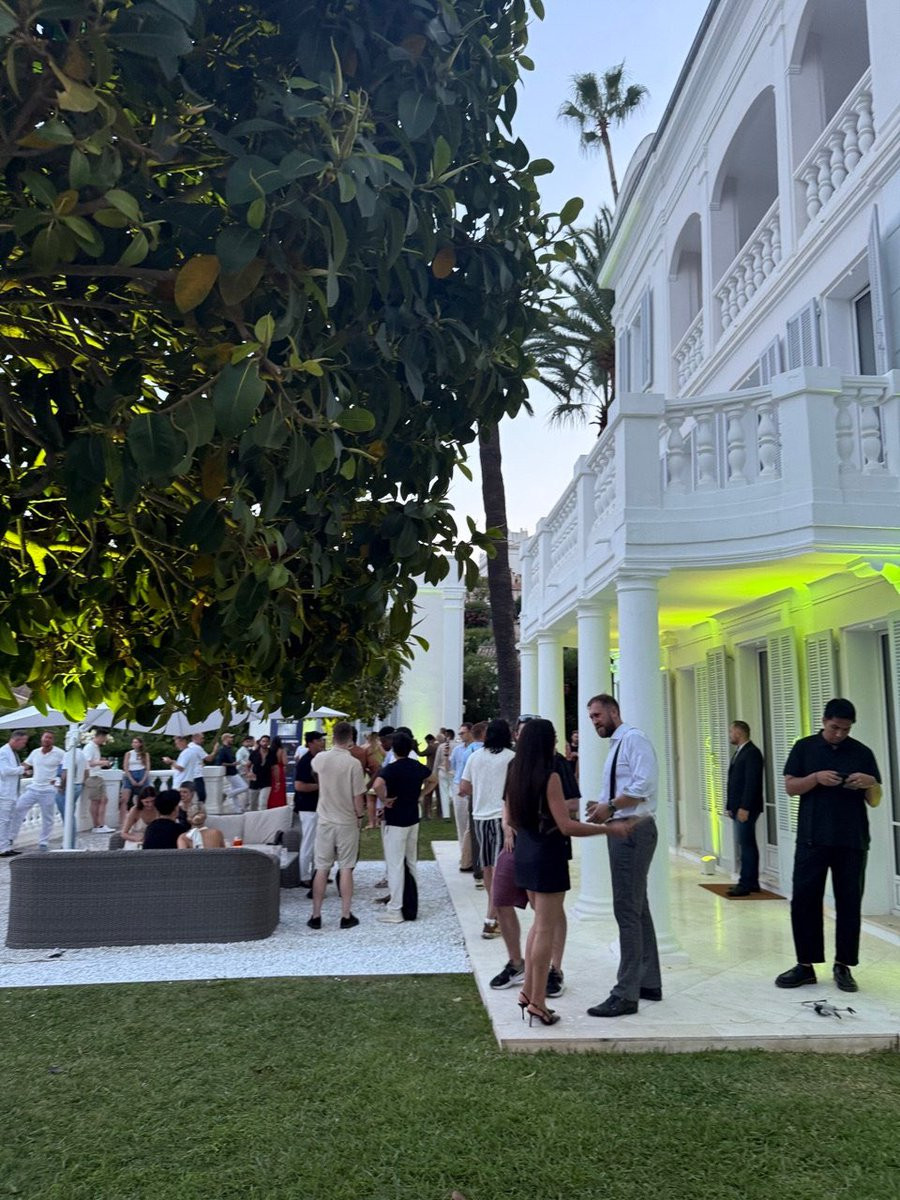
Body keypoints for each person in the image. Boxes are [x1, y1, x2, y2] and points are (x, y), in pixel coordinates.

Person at [505, 718, 624, 1027]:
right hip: (548, 855)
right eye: (554, 738)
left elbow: (512, 818)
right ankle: (538, 1002)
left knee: (538, 926)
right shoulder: (551, 776)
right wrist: (608, 830)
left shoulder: (514, 772)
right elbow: (567, 825)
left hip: (526, 852)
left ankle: (528, 992)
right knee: (546, 928)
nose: (558, 743)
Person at [775, 698, 882, 994]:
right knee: (804, 900)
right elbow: (790, 787)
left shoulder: (862, 752)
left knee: (849, 903)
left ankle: (843, 965)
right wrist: (815, 778)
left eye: (845, 730)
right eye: (835, 728)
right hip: (812, 837)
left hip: (852, 840)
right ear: (824, 721)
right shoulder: (805, 748)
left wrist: (870, 783)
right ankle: (805, 965)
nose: (839, 734)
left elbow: (875, 800)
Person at [585, 693, 662, 1018]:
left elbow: (644, 786)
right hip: (623, 828)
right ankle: (648, 981)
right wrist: (602, 806)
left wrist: (611, 807)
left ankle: (625, 994)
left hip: (633, 831)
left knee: (627, 910)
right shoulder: (618, 743)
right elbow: (626, 787)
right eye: (591, 717)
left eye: (598, 715)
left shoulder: (634, 739)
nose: (594, 722)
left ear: (614, 711)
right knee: (637, 907)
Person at [459, 718, 515, 939]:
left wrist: (482, 789)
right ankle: (492, 917)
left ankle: (493, 912)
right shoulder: (511, 757)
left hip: (480, 816)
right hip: (503, 817)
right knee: (501, 866)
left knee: (488, 867)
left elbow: (464, 787)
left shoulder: (475, 757)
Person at [308, 722, 366, 930]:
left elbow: (314, 770)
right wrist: (360, 815)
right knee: (346, 867)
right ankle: (345, 914)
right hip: (347, 820)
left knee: (321, 867)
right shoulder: (353, 764)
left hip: (325, 819)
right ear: (350, 738)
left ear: (333, 736)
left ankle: (316, 915)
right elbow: (358, 796)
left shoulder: (320, 759)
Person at [372, 731, 435, 924]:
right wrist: (421, 794)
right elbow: (433, 779)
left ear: (394, 749)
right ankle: (411, 903)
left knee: (395, 864)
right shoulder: (416, 766)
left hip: (395, 819)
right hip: (412, 817)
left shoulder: (391, 769)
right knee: (411, 861)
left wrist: (384, 799)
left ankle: (395, 909)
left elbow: (377, 784)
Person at [725, 720, 765, 896]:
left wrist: (744, 807)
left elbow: (751, 782)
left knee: (746, 844)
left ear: (739, 733)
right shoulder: (740, 752)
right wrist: (730, 806)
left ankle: (746, 883)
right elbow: (733, 782)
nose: (730, 735)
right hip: (737, 806)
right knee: (745, 843)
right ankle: (751, 881)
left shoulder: (752, 753)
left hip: (746, 807)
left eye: (731, 732)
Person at [9, 731, 66, 850]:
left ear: (53, 740)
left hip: (48, 790)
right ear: (41, 738)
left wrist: (59, 780)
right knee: (18, 809)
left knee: (47, 818)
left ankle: (43, 842)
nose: (47, 739)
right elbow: (25, 764)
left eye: (50, 738)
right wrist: (13, 770)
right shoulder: (35, 752)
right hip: (33, 788)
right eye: (45, 737)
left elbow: (66, 769)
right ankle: (11, 837)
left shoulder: (60, 753)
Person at [293, 730, 325, 886]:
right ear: (311, 743)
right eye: (319, 740)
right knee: (308, 841)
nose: (322, 742)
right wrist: (321, 786)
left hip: (319, 806)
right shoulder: (305, 762)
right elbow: (299, 785)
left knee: (319, 842)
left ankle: (317, 873)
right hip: (307, 806)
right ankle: (304, 875)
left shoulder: (319, 759)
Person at [0, 730, 29, 856]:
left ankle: (6, 846)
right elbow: (5, 771)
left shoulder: (12, 752)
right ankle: (2, 848)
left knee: (9, 820)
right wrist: (22, 769)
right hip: (4, 793)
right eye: (23, 742)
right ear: (17, 740)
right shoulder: (3, 752)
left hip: (11, 793)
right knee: (4, 821)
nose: (24, 745)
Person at [450, 723, 474, 869]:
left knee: (471, 823)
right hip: (458, 784)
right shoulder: (458, 750)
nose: (460, 736)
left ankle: (471, 855)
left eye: (463, 733)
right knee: (461, 821)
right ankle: (463, 854)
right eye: (460, 733)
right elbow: (454, 766)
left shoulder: (476, 749)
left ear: (471, 733)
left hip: (472, 786)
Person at [84, 730, 113, 833]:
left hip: (98, 775)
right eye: (104, 738)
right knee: (96, 801)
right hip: (93, 776)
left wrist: (101, 761)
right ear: (100, 736)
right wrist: (102, 762)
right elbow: (88, 763)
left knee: (104, 800)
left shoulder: (96, 747)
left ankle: (101, 824)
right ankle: (97, 826)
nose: (104, 740)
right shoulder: (89, 747)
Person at [215, 732, 249, 813]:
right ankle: (228, 793)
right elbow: (220, 763)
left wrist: (234, 763)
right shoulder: (222, 750)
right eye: (230, 737)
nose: (232, 739)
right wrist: (232, 764)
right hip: (230, 773)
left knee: (235, 793)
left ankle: (238, 810)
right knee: (245, 787)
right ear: (225, 739)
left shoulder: (228, 749)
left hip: (233, 771)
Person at [120, 737, 150, 823]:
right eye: (133, 742)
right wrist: (131, 779)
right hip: (130, 774)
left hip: (141, 774)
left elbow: (147, 768)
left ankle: (142, 819)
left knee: (144, 799)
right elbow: (125, 767)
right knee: (124, 799)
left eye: (136, 742)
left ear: (140, 744)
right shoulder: (129, 753)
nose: (134, 744)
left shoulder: (145, 754)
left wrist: (143, 780)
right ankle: (123, 821)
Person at [248, 734, 274, 811]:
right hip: (255, 780)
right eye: (263, 741)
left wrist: (277, 780)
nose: (265, 743)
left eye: (267, 741)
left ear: (269, 743)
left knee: (263, 803)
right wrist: (249, 773)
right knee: (253, 803)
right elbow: (247, 765)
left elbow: (275, 768)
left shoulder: (272, 753)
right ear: (260, 742)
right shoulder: (254, 753)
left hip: (267, 781)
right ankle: (253, 817)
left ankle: (263, 817)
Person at [267, 736, 288, 808]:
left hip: (271, 770)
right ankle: (280, 804)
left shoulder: (270, 750)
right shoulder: (282, 750)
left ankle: (271, 804)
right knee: (280, 788)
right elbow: (285, 762)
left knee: (272, 787)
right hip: (279, 769)